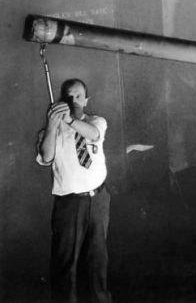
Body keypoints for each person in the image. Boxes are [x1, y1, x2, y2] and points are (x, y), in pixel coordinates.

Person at [37, 78, 112, 303]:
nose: (74, 100)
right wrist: (52, 125)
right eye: (69, 97)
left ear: (86, 99)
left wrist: (69, 120)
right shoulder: (50, 130)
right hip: (69, 204)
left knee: (97, 260)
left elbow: (93, 135)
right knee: (65, 264)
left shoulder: (96, 121)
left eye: (79, 96)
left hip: (98, 200)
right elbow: (46, 157)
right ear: (61, 100)